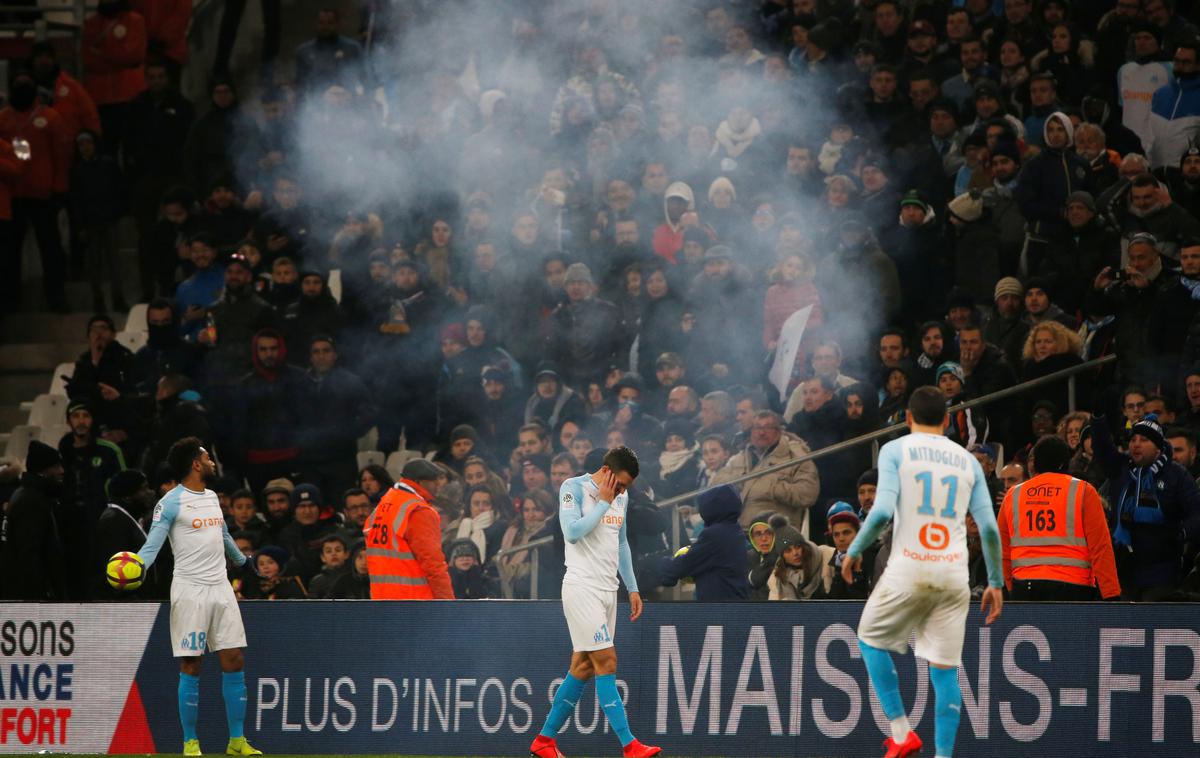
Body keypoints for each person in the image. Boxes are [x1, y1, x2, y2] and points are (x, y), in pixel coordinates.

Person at [843, 386, 1004, 758]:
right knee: (945, 670)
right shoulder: (967, 460)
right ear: (948, 421)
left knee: (869, 640)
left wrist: (855, 550)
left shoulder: (895, 450)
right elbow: (990, 528)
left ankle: (902, 733)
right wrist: (995, 582)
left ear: (907, 418)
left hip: (910, 566)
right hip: (953, 574)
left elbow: (882, 511)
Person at [529, 447, 660, 758]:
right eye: (621, 484)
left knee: (584, 666)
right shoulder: (573, 488)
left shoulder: (622, 497)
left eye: (626, 487)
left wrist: (632, 587)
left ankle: (544, 741)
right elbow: (572, 533)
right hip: (581, 587)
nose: (624, 491)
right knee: (607, 661)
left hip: (607, 591)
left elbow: (621, 541)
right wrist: (603, 502)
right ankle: (630, 746)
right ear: (608, 472)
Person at [134, 437, 259, 757]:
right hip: (190, 590)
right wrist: (136, 568)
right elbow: (153, 544)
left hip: (221, 588)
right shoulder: (171, 501)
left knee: (234, 659)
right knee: (192, 664)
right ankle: (190, 742)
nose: (212, 462)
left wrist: (243, 563)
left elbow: (223, 534)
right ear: (195, 464)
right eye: (207, 457)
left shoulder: (213, 497)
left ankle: (236, 741)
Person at [998, 436, 1121, 601]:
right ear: (1065, 462)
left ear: (1035, 463)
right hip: (1073, 588)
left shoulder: (1013, 495)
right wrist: (1111, 594)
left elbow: (1001, 549)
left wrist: (1011, 588)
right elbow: (1101, 547)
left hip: (1024, 588)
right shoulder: (1084, 491)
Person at [362, 459, 453, 599]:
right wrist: (448, 605)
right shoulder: (418, 511)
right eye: (434, 480)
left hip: (382, 600)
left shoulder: (383, 506)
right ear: (420, 482)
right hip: (415, 603)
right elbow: (433, 565)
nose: (438, 485)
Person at [654, 484, 750, 601]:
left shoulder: (714, 535)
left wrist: (660, 564)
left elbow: (685, 564)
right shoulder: (734, 529)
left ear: (712, 507)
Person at [0, 441, 67, 600]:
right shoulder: (31, 501)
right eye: (56, 466)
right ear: (43, 470)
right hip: (28, 598)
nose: (62, 471)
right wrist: (38, 596)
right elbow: (29, 554)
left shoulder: (26, 495)